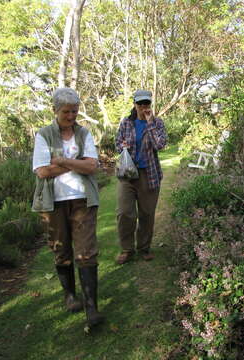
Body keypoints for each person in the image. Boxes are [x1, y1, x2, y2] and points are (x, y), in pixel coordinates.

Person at [32, 87, 104, 328]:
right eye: (67, 111)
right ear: (55, 110)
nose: (72, 116)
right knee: (61, 250)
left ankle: (91, 307)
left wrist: (61, 161)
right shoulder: (43, 135)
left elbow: (92, 166)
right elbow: (42, 171)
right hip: (53, 204)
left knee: (86, 252)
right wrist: (78, 163)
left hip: (82, 200)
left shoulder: (84, 134)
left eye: (75, 111)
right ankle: (70, 295)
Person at [115, 89, 167, 264]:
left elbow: (159, 144)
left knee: (147, 214)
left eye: (147, 103)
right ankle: (127, 249)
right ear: (134, 104)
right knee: (124, 213)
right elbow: (117, 142)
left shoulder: (157, 123)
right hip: (128, 174)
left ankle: (144, 248)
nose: (144, 106)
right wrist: (122, 146)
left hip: (149, 174)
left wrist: (150, 122)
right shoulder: (126, 123)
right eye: (140, 103)